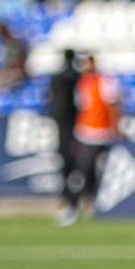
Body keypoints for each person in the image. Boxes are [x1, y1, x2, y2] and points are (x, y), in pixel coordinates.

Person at [68, 54, 121, 216]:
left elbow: (113, 106)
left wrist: (115, 127)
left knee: (96, 170)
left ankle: (90, 203)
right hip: (85, 132)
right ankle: (76, 204)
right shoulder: (82, 83)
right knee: (82, 170)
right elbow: (81, 108)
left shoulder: (104, 81)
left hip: (101, 133)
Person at [49, 49, 82, 227]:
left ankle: (67, 202)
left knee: (66, 163)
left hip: (62, 123)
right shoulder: (76, 76)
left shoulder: (57, 76)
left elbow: (50, 100)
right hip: (74, 125)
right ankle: (70, 202)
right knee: (73, 164)